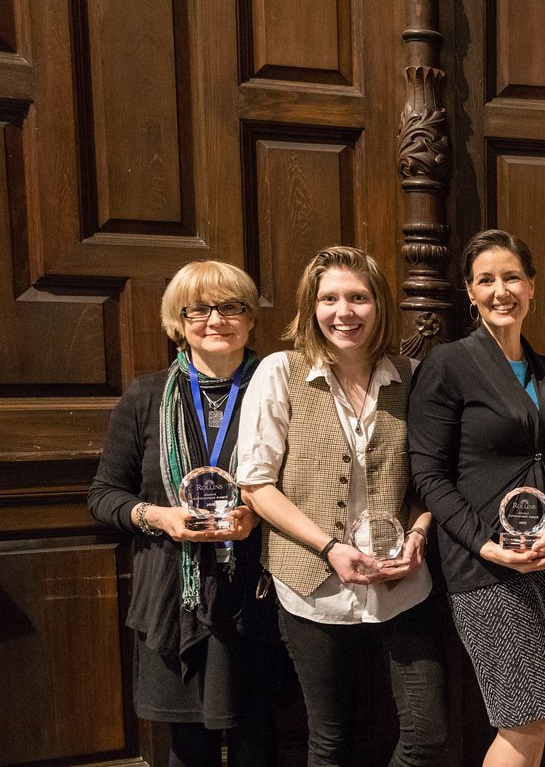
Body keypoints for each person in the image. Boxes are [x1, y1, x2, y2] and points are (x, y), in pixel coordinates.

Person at [236, 246, 447, 766]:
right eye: (329, 298)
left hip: (403, 584)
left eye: (358, 297)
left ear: (379, 306)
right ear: (311, 306)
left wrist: (419, 533)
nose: (343, 312)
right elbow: (256, 485)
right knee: (330, 741)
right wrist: (329, 547)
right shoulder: (280, 372)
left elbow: (432, 479)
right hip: (311, 585)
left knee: (427, 734)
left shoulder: (413, 376)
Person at [409, 229, 545, 766]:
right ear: (470, 293)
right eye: (486, 280)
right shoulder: (447, 364)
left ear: (532, 286)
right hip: (485, 568)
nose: (501, 291)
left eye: (512, 277)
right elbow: (428, 475)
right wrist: (485, 545)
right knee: (525, 716)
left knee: (544, 714)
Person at [87, 260, 282, 767]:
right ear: (178, 321)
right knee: (189, 749)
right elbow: (104, 494)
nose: (216, 319)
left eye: (231, 306)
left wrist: (258, 515)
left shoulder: (280, 389)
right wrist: (160, 517)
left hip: (257, 593)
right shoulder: (145, 396)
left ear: (250, 317)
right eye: (199, 309)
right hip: (175, 596)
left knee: (258, 741)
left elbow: (305, 487)